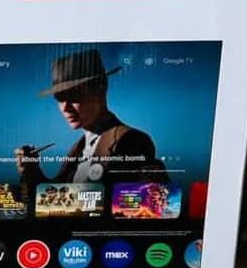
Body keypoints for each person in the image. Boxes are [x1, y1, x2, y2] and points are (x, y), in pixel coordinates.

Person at [16, 49, 166, 185]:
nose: (65, 107)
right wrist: (31, 172)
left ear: (100, 89)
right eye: (60, 98)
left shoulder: (131, 140)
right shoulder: (78, 148)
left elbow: (143, 200)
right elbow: (59, 198)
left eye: (73, 95)